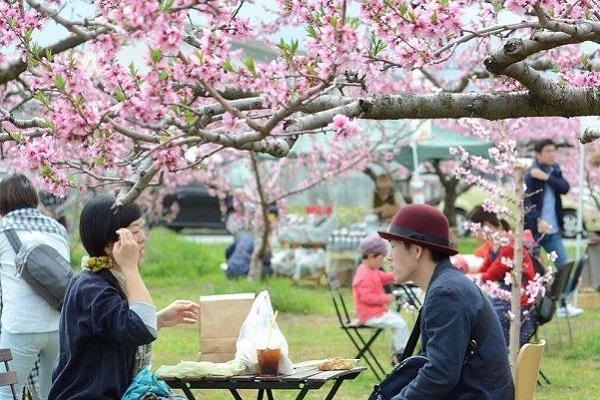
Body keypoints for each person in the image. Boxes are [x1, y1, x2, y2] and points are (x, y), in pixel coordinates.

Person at [49, 195, 199, 399]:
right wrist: (130, 266)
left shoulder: (102, 282)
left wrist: (160, 320)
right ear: (110, 245)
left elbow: (119, 327)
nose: (143, 237)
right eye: (135, 231)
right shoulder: (92, 289)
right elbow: (141, 329)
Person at [377, 204, 514, 399]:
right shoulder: (448, 284)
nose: (388, 257)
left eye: (393, 246)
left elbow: (440, 375)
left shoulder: (446, 294)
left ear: (416, 250)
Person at [0, 174, 69, 400]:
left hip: (20, 327)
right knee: (53, 394)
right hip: (59, 326)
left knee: (7, 392)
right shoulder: (57, 228)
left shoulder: (3, 229)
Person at [524, 138, 582, 317]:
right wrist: (537, 220)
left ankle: (563, 304)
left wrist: (547, 178)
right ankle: (532, 307)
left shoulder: (554, 170)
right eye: (548, 151)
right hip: (535, 231)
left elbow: (565, 188)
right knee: (532, 269)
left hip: (553, 229)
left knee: (563, 265)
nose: (552, 154)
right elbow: (527, 203)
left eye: (553, 151)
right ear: (538, 154)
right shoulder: (530, 175)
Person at [467, 205, 536, 347]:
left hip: (519, 303)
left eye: (474, 230)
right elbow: (484, 271)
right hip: (507, 297)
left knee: (484, 314)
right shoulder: (495, 245)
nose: (473, 235)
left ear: (486, 225)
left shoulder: (509, 246)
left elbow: (488, 276)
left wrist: (464, 277)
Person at [352, 233, 409, 365]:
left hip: (377, 312)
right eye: (381, 258)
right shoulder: (363, 275)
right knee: (400, 324)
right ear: (371, 256)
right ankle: (401, 354)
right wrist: (387, 297)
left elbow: (383, 277)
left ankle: (398, 353)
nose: (382, 261)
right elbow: (366, 298)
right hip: (370, 315)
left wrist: (398, 274)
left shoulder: (371, 270)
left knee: (398, 322)